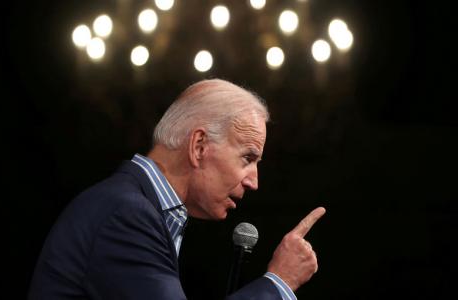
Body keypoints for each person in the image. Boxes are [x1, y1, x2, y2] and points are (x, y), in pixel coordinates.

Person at [28, 79, 326, 300]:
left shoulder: (139, 208)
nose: (254, 182)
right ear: (198, 146)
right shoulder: (126, 214)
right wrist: (279, 283)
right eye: (248, 158)